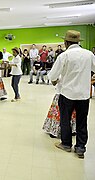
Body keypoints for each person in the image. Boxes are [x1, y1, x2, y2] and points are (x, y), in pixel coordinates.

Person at [48, 30, 95, 159]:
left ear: (66, 42)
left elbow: (52, 75)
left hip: (67, 94)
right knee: (82, 121)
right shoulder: (89, 54)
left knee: (65, 120)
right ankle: (80, 148)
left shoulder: (64, 56)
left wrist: (54, 80)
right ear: (78, 42)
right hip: (84, 95)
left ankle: (66, 144)